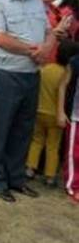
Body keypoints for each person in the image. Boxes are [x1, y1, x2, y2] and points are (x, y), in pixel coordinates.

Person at [0, 0, 56, 203]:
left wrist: (46, 49)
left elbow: (49, 32)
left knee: (23, 129)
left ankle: (16, 178)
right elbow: (0, 38)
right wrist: (33, 51)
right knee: (0, 129)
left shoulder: (37, 2)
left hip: (31, 74)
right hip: (5, 74)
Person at [27, 43, 72, 186]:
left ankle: (30, 168)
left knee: (36, 141)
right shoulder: (66, 75)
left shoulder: (45, 69)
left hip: (39, 111)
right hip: (55, 115)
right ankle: (50, 176)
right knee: (53, 145)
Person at [57, 43, 79, 202]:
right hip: (76, 115)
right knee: (74, 153)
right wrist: (60, 110)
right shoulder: (75, 62)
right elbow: (62, 86)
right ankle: (73, 185)